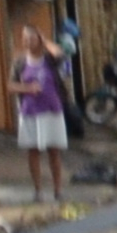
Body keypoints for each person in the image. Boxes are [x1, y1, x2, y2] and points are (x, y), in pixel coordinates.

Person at [12, 24, 71, 202]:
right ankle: (38, 190)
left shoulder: (50, 59)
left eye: (32, 38)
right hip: (30, 112)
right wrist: (27, 88)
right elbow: (10, 85)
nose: (28, 42)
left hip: (52, 110)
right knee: (33, 151)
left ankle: (58, 190)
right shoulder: (20, 61)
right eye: (25, 39)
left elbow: (62, 56)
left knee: (54, 151)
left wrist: (46, 42)